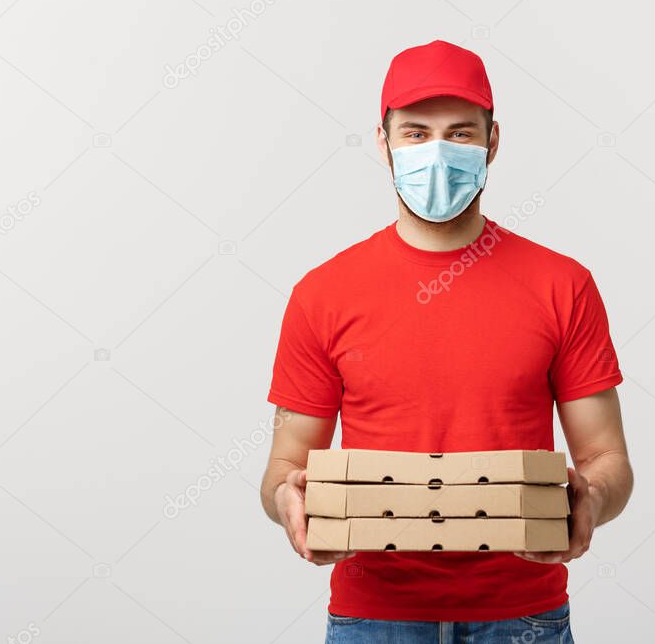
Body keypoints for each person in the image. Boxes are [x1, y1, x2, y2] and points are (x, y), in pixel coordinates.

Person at [261, 39, 633, 643]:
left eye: (460, 133)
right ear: (382, 144)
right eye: (415, 133)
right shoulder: (322, 294)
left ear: (492, 142)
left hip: (523, 617)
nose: (437, 152)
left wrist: (591, 495)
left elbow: (607, 459)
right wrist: (288, 501)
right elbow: (284, 466)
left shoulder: (563, 285)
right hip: (372, 617)